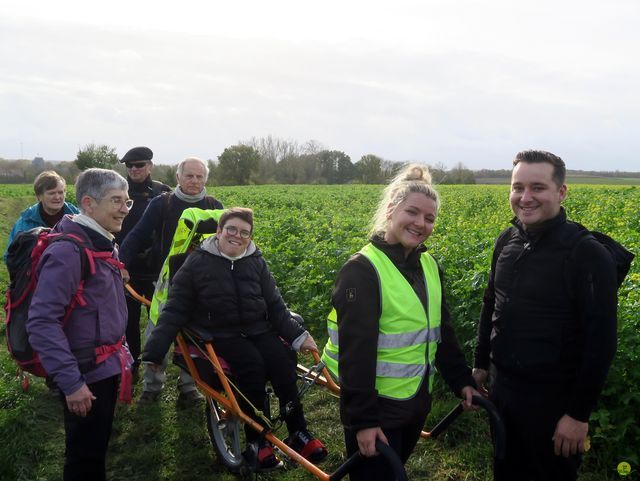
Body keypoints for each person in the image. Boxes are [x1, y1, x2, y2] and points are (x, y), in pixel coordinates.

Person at [322, 164, 480, 481]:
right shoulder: (362, 270)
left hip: (415, 404)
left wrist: (462, 381)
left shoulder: (429, 265)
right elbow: (356, 356)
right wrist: (363, 422)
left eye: (430, 218)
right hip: (377, 411)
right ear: (392, 208)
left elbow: (442, 333)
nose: (421, 223)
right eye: (413, 212)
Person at [142, 207, 327, 470]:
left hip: (259, 328)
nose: (237, 236)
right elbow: (175, 309)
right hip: (221, 332)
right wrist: (154, 351)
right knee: (252, 367)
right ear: (219, 231)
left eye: (244, 232)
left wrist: (298, 336)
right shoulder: (196, 263)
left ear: (249, 238)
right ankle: (258, 441)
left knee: (283, 362)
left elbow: (275, 304)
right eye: (231, 229)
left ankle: (298, 432)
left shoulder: (255, 260)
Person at [473, 150, 618, 481]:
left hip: (554, 403)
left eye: (537, 187)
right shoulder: (507, 239)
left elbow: (602, 341)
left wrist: (578, 415)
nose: (525, 197)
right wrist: (481, 364)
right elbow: (491, 301)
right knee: (506, 470)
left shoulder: (586, 253)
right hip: (504, 389)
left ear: (561, 192)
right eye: (517, 187)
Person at [26, 168, 133, 481]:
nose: (124, 209)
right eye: (116, 201)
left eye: (127, 202)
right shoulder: (69, 252)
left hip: (105, 366)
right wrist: (72, 383)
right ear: (88, 203)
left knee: (95, 449)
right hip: (85, 371)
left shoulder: (102, 242)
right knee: (84, 458)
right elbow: (42, 322)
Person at [120, 156, 223, 405]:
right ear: (178, 177)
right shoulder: (162, 204)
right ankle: (152, 386)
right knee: (158, 334)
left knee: (195, 339)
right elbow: (136, 236)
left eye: (199, 176)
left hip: (200, 286)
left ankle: (189, 388)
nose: (194, 181)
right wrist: (120, 263)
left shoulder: (214, 206)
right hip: (165, 283)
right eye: (189, 176)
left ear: (206, 179)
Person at [115, 146, 171, 378]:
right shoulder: (117, 191)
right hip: (125, 267)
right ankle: (131, 364)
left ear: (149, 166)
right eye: (130, 166)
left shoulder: (163, 192)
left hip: (155, 268)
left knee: (156, 320)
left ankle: (154, 368)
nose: (134, 169)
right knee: (126, 320)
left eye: (139, 165)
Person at [4, 170, 79, 261]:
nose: (57, 197)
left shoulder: (77, 217)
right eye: (52, 193)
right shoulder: (26, 221)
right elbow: (11, 255)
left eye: (61, 192)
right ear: (39, 196)